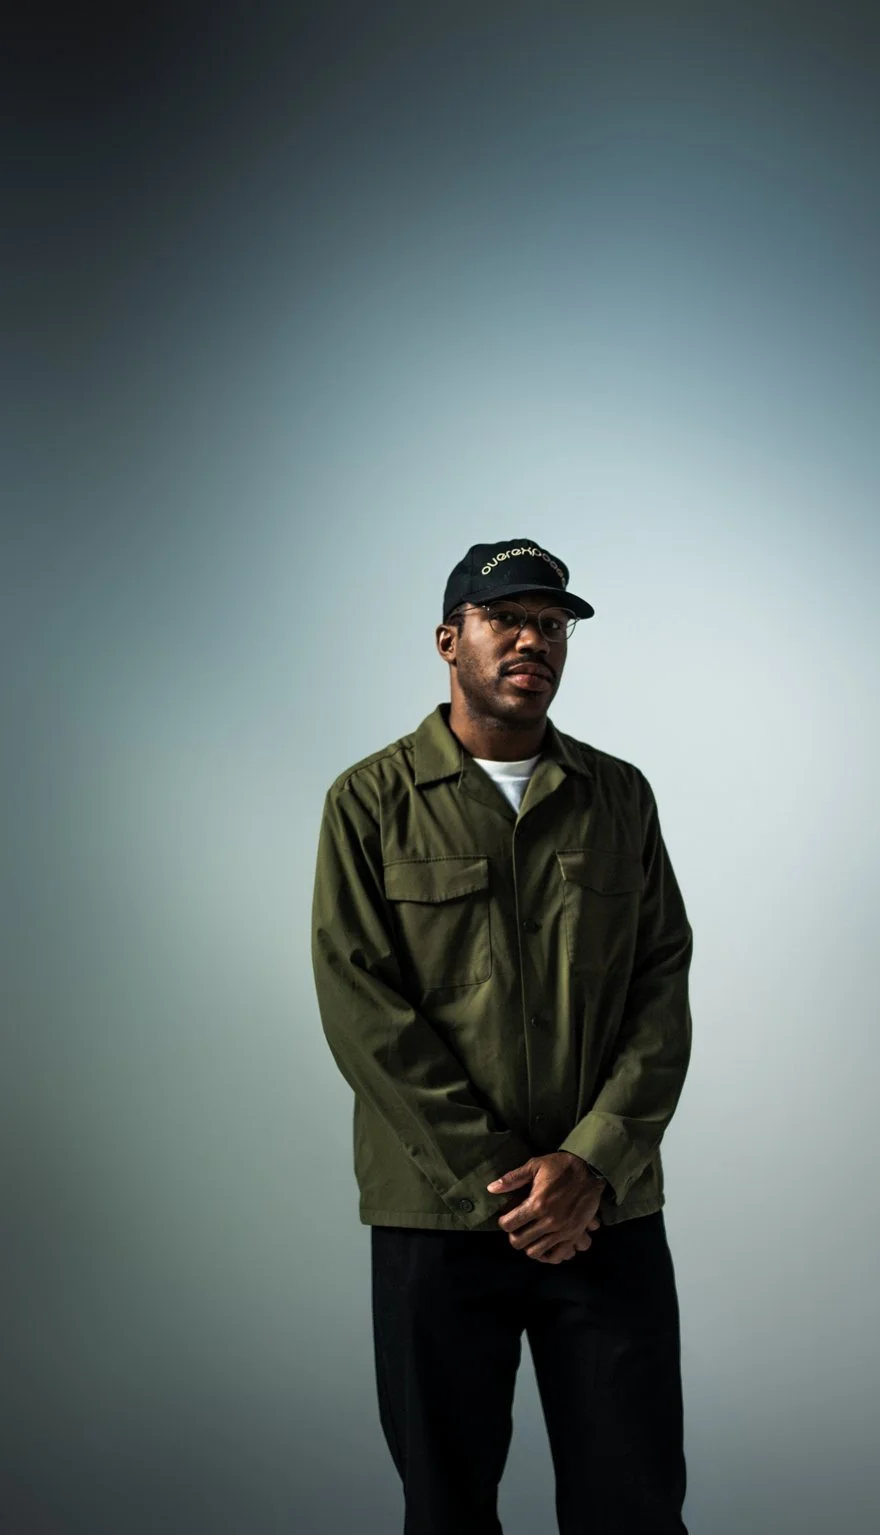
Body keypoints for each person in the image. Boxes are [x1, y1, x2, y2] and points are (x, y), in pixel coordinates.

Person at [310, 539, 694, 1534]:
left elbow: (661, 988)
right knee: (446, 1508)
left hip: (603, 1214)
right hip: (438, 1218)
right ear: (449, 639)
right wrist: (504, 1180)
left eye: (553, 624)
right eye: (507, 618)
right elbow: (361, 1006)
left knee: (634, 1505)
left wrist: (590, 1163)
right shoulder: (369, 801)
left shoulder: (619, 796)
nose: (535, 639)